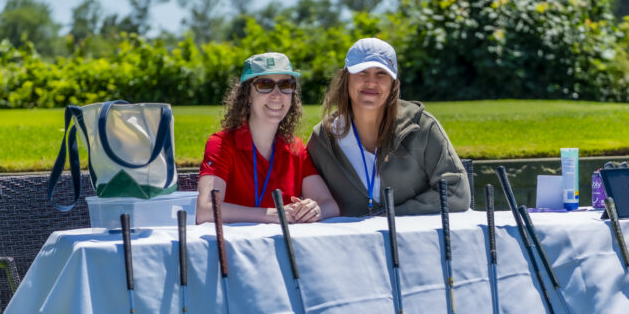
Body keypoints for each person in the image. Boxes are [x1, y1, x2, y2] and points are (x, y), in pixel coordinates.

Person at [306, 37, 470, 217]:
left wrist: (391, 215)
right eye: (362, 72)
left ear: (394, 83)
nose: (371, 82)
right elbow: (305, 197)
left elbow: (456, 193)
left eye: (381, 73)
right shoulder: (323, 139)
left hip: (411, 236)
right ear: (345, 78)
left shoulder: (422, 127)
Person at [197, 52, 339, 224]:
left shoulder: (295, 147)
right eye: (265, 84)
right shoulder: (221, 144)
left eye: (286, 84)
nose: (277, 95)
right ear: (247, 95)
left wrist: (314, 210)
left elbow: (330, 206)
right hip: (234, 242)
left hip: (284, 241)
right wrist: (273, 215)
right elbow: (206, 210)